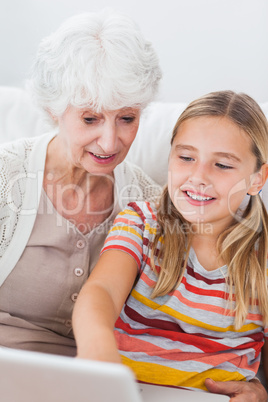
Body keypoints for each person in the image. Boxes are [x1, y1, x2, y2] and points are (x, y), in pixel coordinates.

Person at [73, 90, 268, 401]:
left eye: (222, 165)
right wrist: (97, 350)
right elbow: (102, 292)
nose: (198, 176)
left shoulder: (263, 259)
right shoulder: (141, 224)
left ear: (258, 178)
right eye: (186, 157)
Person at [0, 10, 162, 356]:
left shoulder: (150, 203)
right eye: (90, 118)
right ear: (54, 109)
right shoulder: (6, 175)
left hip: (88, 380)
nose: (109, 142)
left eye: (127, 118)